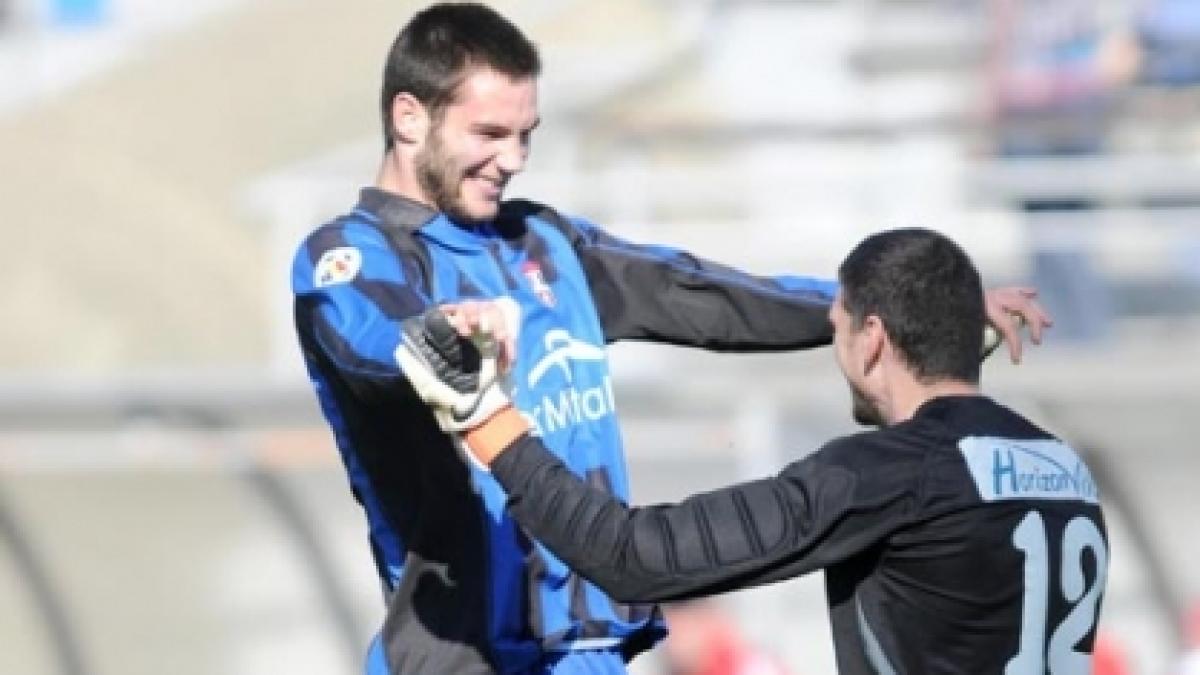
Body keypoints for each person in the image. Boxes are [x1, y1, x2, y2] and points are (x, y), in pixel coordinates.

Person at [290, 3, 1050, 673]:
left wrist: (902, 305)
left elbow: (705, 293)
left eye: (526, 135)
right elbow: (374, 340)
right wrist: (446, 332)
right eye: (489, 133)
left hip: (588, 650)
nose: (514, 159)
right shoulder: (347, 258)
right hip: (461, 655)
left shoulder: (544, 245)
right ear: (409, 117)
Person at [398, 228, 1105, 674]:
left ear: (873, 339)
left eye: (835, 329)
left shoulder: (890, 473)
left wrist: (486, 417)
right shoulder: (1065, 469)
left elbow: (636, 555)